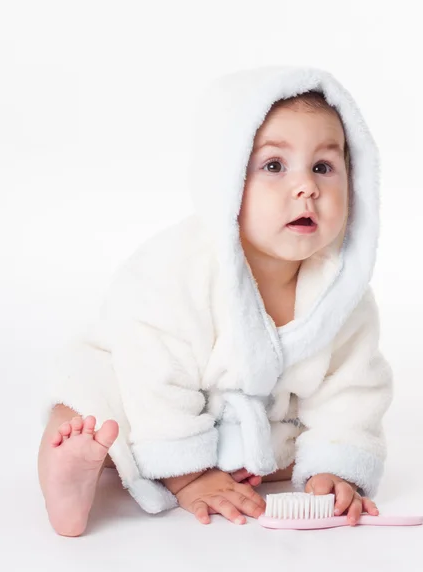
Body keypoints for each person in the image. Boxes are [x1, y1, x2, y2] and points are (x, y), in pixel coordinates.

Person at [38, 65, 393, 537]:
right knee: (87, 409)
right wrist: (188, 473)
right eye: (274, 166)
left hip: (247, 425)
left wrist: (337, 464)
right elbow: (153, 370)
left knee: (293, 451)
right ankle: (68, 475)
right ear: (224, 181)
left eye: (324, 167)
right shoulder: (178, 269)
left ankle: (234, 456)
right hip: (140, 387)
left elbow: (351, 388)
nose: (306, 187)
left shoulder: (340, 292)